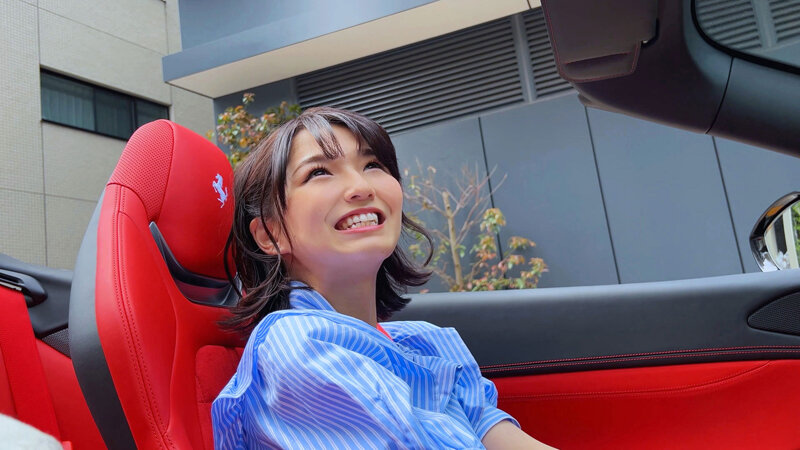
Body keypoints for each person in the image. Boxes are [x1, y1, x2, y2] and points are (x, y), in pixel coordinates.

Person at [212, 107, 554, 449]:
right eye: (318, 172)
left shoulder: (423, 341)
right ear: (271, 234)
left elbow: (487, 427)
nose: (361, 187)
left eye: (373, 165)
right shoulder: (297, 347)